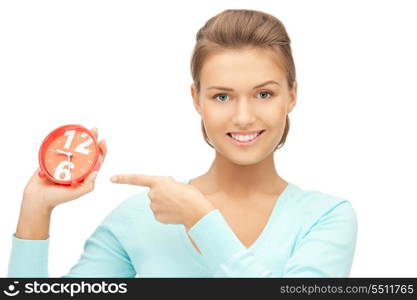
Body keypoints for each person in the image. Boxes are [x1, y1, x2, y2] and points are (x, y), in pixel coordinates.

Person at [7, 9, 357, 278]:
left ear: (292, 95)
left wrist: (201, 219)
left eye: (264, 93)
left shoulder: (326, 218)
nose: (243, 117)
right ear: (196, 99)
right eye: (222, 97)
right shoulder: (140, 217)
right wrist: (35, 209)